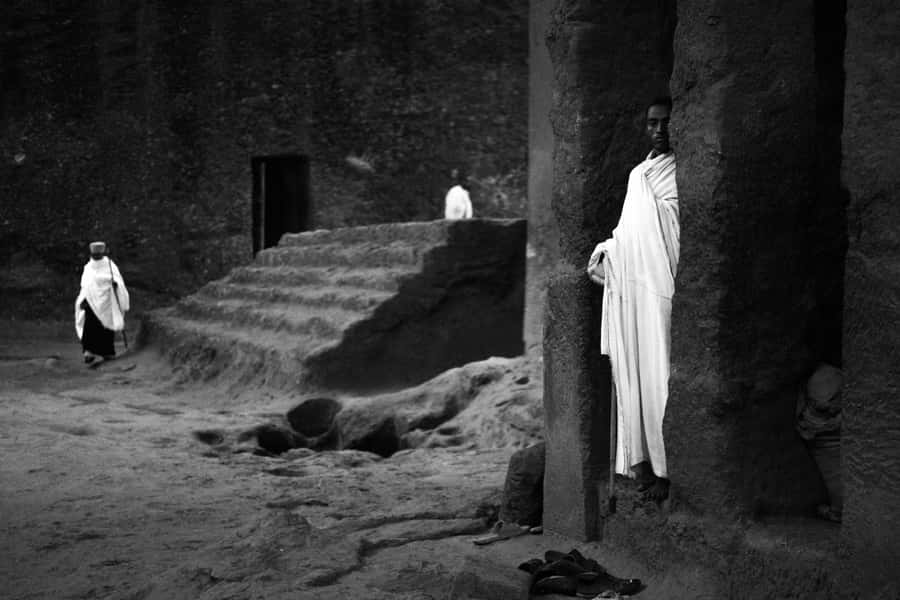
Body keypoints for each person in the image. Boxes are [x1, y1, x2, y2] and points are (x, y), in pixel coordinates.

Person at [586, 97, 679, 500]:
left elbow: (672, 225)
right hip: (636, 290)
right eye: (651, 123)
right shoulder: (638, 176)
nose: (658, 130)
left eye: (665, 122)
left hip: (664, 287)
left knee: (663, 375)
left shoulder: (683, 172)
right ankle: (643, 463)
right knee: (639, 375)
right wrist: (610, 253)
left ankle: (669, 468)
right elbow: (629, 231)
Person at [75, 241, 130, 366]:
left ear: (102, 253)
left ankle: (107, 352)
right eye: (94, 255)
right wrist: (84, 297)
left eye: (98, 255)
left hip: (107, 302)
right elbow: (85, 285)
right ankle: (89, 352)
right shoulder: (88, 267)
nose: (96, 257)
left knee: (105, 327)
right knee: (90, 326)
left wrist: (115, 284)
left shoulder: (110, 266)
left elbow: (118, 280)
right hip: (91, 301)